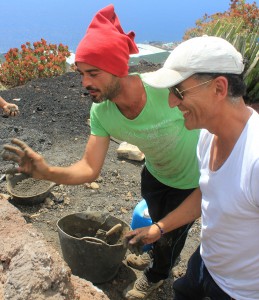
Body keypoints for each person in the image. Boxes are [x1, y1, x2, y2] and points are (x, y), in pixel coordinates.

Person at [1, 5, 200, 299]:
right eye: (81, 73)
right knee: (157, 221)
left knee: (173, 235)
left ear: (118, 68)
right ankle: (154, 254)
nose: (84, 83)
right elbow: (89, 168)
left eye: (92, 73)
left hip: (191, 181)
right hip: (156, 174)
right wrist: (47, 172)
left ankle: (157, 275)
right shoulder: (102, 112)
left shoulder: (164, 90)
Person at [125, 35, 259, 300]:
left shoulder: (255, 160)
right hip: (205, 264)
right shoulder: (208, 136)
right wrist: (160, 227)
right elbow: (209, 192)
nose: (172, 102)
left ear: (219, 89)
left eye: (179, 91)